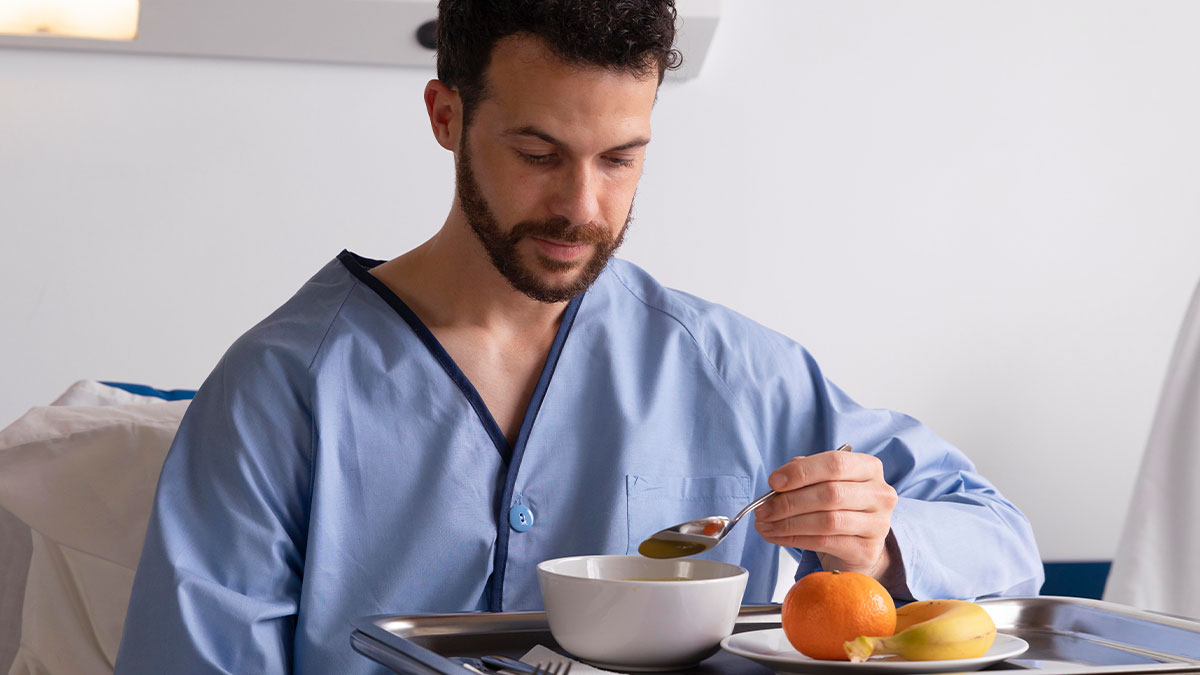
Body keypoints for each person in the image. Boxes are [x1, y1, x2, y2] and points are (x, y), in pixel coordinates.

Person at [115, 1, 1044, 672]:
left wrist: (880, 544)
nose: (582, 207)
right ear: (447, 118)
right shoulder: (283, 390)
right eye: (537, 154)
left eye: (620, 159)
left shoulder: (734, 372)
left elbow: (1003, 540)